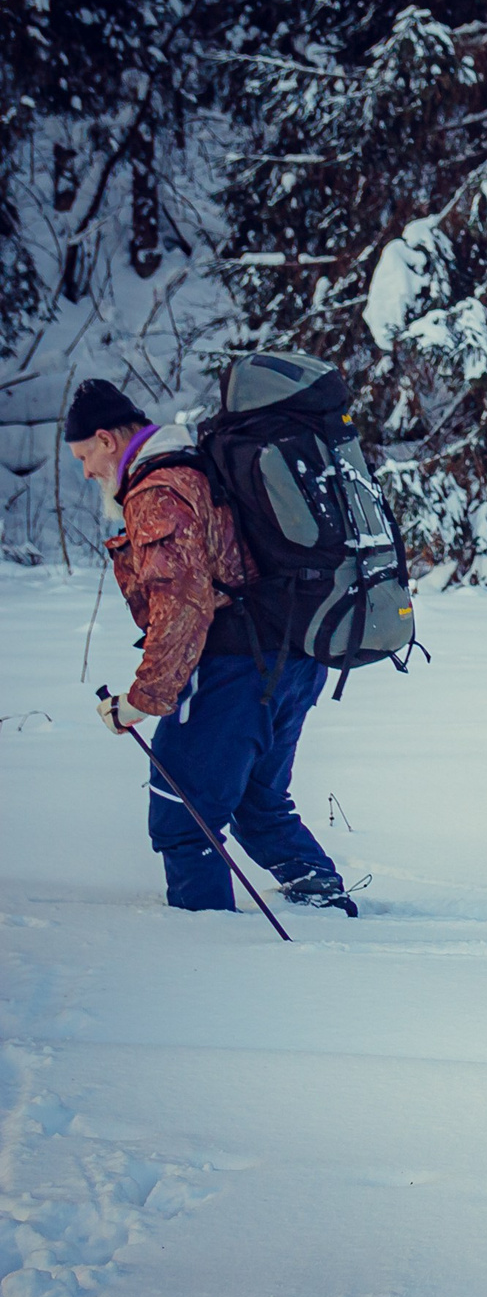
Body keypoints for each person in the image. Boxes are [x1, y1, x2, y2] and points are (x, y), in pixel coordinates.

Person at [66, 378, 359, 916]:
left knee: (183, 814)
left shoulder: (158, 491)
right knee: (258, 800)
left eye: (85, 456)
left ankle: (206, 939)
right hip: (293, 654)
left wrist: (144, 698)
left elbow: (181, 605)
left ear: (106, 440)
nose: (86, 472)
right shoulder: (199, 464)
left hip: (236, 671)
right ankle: (325, 905)